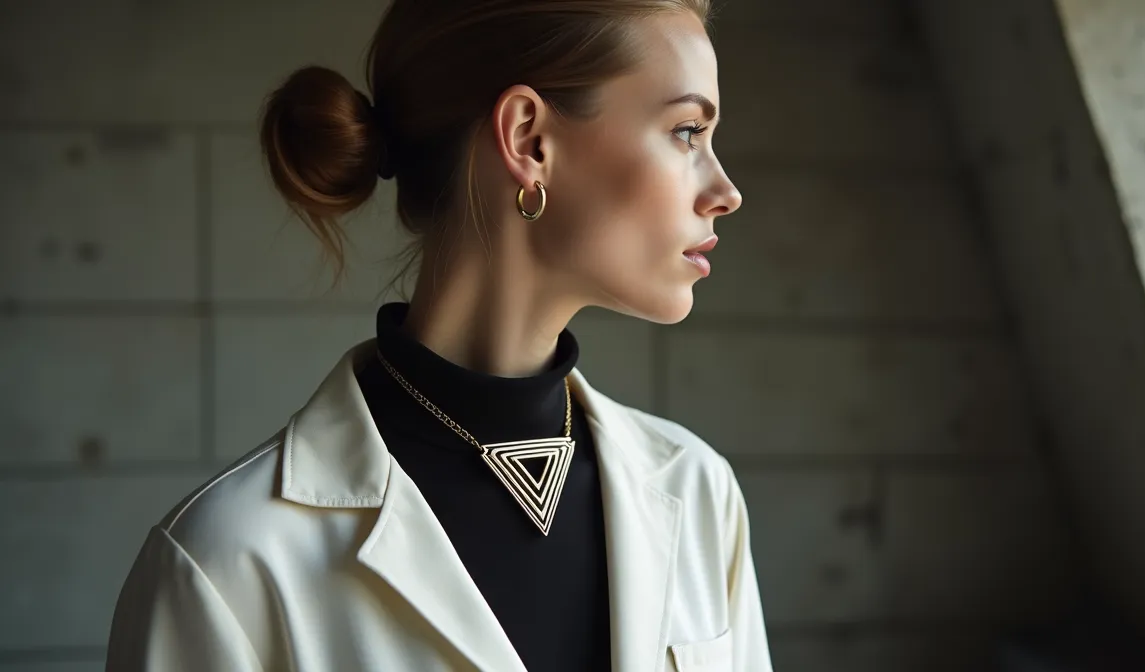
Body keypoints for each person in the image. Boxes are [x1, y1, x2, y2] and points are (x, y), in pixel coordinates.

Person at [106, 0, 769, 670]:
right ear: (529, 139)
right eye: (687, 132)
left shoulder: (699, 495)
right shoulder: (228, 567)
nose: (727, 191)